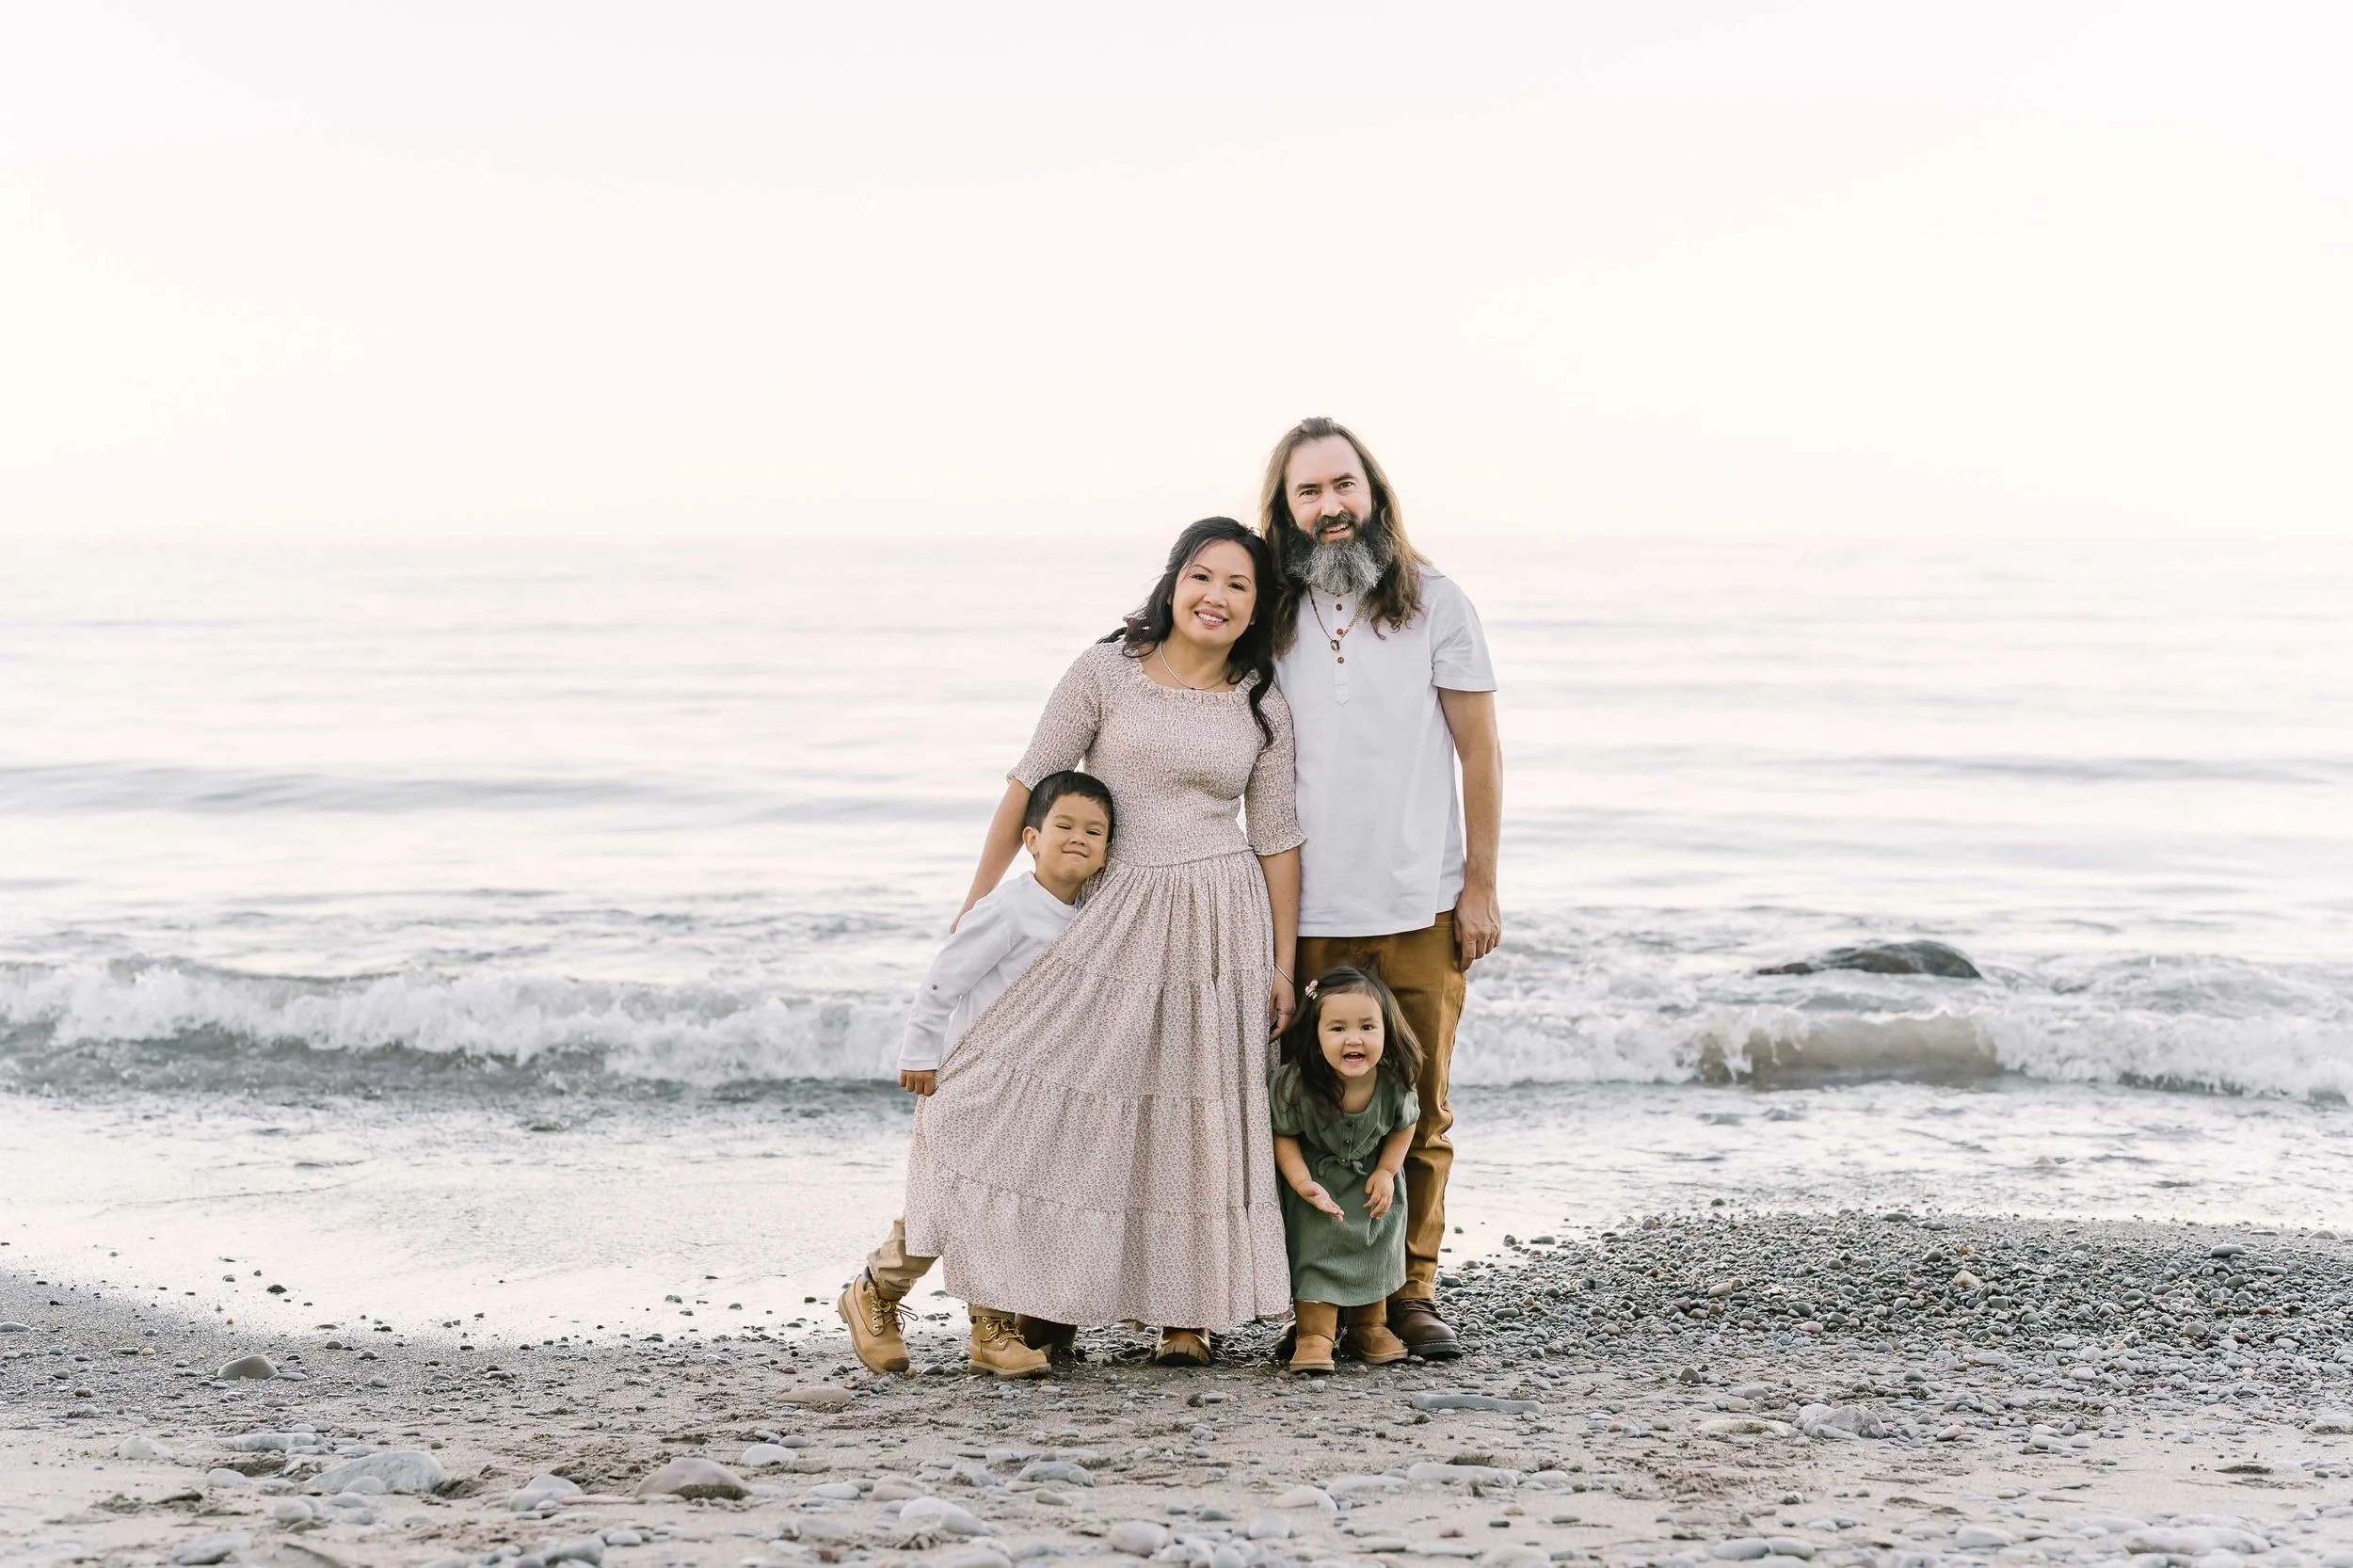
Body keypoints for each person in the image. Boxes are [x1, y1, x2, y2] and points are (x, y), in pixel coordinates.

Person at [900, 518, 1303, 1366]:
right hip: (1113, 909)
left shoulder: (1262, 701)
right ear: (1172, 582)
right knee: (1066, 1098)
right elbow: (1027, 783)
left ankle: (1188, 1315)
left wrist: (1283, 964)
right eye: (1202, 576)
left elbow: (1276, 838)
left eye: (1238, 585)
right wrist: (979, 900)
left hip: (1219, 919)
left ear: (1259, 605)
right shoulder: (1105, 671)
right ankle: (1046, 1291)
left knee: (1196, 1112)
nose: (1216, 597)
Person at [1258, 417, 1502, 1360]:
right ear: (1284, 510)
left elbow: (1480, 751)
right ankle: (1311, 1300)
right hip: (1306, 914)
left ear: (1375, 493)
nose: (1329, 507)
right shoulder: (1266, 611)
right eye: (1307, 492)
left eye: (1342, 486)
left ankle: (1409, 1293)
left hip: (1420, 906)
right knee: (1299, 1114)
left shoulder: (1437, 603)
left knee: (1420, 1107)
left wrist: (1478, 886)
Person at [837, 770, 1115, 1378]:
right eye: (1064, 825)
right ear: (1031, 839)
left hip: (1033, 1092)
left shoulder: (1090, 918)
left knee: (1001, 1207)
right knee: (958, 1201)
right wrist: (920, 1051)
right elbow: (945, 977)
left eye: (1094, 831)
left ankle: (980, 1326)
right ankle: (879, 1291)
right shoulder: (1010, 908)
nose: (1078, 838)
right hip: (975, 1080)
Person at [1271, 966, 1424, 1374]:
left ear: (1386, 1032)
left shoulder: (1394, 1083)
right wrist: (1303, 1183)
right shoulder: (1297, 1083)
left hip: (1373, 1187)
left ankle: (1368, 1326)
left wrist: (1388, 1170)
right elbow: (1282, 1134)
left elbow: (1405, 1124)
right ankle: (1314, 1335)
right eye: (1337, 1028)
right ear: (1316, 1035)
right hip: (1319, 1190)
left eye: (1367, 1027)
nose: (1353, 1038)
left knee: (1375, 1249)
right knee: (1316, 1256)